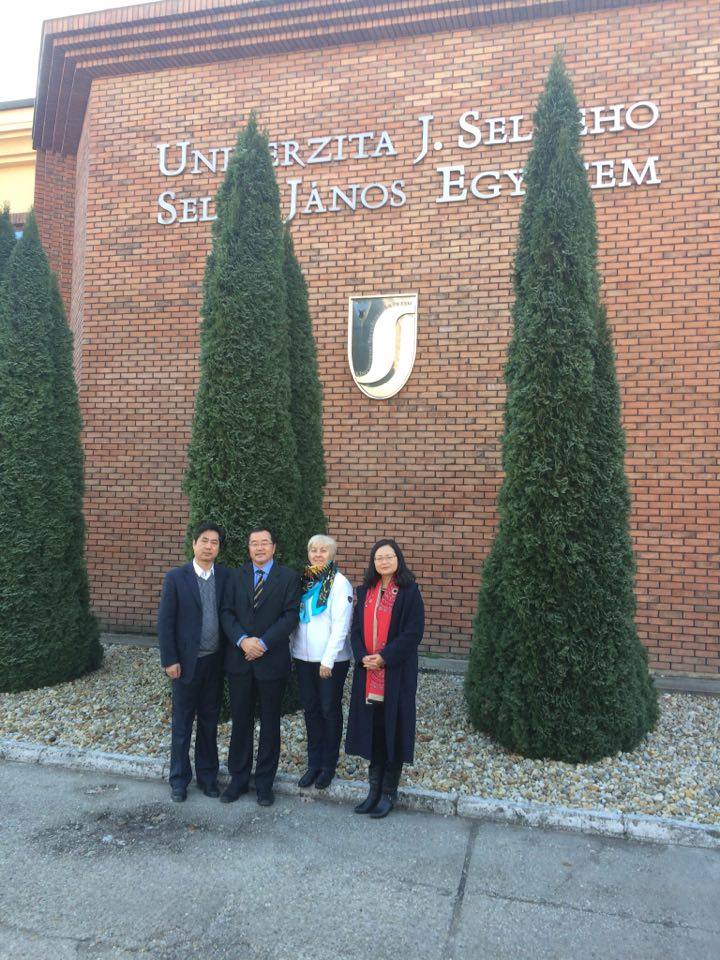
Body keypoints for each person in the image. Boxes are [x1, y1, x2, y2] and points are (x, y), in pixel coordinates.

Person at [220, 528, 301, 806]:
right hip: (240, 660)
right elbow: (226, 613)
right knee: (240, 721)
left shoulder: (288, 578)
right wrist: (243, 640)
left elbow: (290, 616)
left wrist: (263, 643)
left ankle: (265, 783)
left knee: (270, 723)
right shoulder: (235, 576)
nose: (259, 548)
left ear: (274, 547)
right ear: (248, 548)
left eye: (264, 543)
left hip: (272, 661)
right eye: (254, 543)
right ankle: (238, 780)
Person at [345, 538, 425, 818]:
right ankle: (373, 790)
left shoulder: (410, 592)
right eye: (379, 558)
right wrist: (362, 656)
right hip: (368, 672)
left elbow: (413, 633)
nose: (384, 561)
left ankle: (389, 792)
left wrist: (384, 657)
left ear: (398, 559)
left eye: (389, 557)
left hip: (396, 674)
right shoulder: (365, 591)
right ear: (373, 562)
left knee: (394, 729)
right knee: (374, 730)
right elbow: (355, 630)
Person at [158, 522, 229, 803]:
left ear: (218, 548)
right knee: (182, 724)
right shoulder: (177, 577)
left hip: (214, 663)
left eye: (215, 542)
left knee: (209, 723)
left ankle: (208, 778)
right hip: (186, 664)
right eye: (204, 541)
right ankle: (178, 780)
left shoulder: (224, 577)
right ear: (194, 544)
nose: (209, 546)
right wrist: (170, 659)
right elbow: (165, 621)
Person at [291, 534, 353, 791]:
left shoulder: (339, 583)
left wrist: (327, 660)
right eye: (313, 550)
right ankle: (313, 764)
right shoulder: (304, 581)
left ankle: (328, 766)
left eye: (323, 550)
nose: (317, 554)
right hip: (303, 658)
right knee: (311, 711)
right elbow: (296, 619)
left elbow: (341, 626)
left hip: (330, 661)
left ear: (332, 554)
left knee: (329, 711)